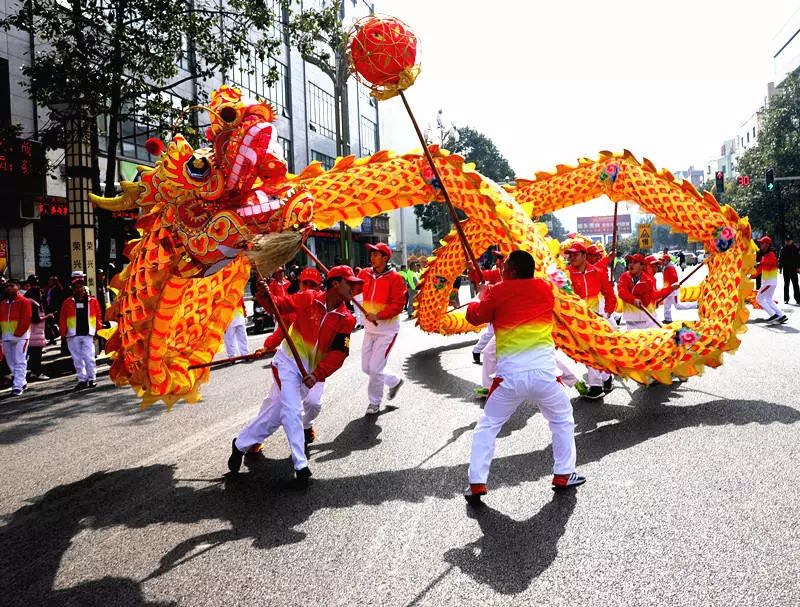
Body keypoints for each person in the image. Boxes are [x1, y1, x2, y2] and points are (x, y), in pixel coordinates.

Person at [463, 250, 586, 505]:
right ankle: (564, 473)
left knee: (487, 426)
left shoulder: (497, 291)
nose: (501, 269)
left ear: (513, 272)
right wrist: (490, 292)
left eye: (504, 266)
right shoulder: (544, 288)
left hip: (509, 378)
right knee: (562, 420)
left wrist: (481, 296)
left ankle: (476, 481)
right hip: (544, 375)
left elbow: (475, 316)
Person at [227, 266, 361, 487]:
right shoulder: (307, 298)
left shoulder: (346, 319)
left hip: (310, 373)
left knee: (276, 414)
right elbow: (278, 307)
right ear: (335, 283)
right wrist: (262, 292)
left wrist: (317, 374)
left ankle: (240, 443)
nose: (354, 288)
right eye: (350, 283)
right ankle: (300, 465)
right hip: (288, 362)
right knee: (292, 409)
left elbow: (339, 353)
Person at [253, 267, 325, 448]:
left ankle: (306, 425)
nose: (308, 287)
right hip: (291, 364)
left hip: (316, 368)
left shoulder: (327, 306)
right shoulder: (296, 302)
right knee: (273, 401)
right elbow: (280, 327)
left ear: (320, 286)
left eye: (313, 285)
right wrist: (267, 346)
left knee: (314, 403)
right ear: (299, 284)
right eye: (305, 283)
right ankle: (255, 439)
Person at [358, 242, 407, 415]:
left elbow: (399, 305)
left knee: (375, 368)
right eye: (371, 254)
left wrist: (378, 316)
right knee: (366, 367)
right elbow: (353, 286)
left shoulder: (395, 278)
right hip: (369, 329)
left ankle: (374, 402)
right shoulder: (364, 274)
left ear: (385, 258)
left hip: (386, 330)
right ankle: (394, 382)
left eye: (376, 254)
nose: (372, 257)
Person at [564, 242, 617, 399]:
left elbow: (609, 295)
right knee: (588, 352)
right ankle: (606, 378)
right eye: (570, 254)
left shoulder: (597, 272)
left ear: (584, 255)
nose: (572, 257)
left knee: (590, 351)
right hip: (575, 320)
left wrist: (606, 314)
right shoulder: (566, 274)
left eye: (575, 254)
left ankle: (596, 386)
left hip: (594, 319)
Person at [59, 276, 102, 390]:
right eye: (76, 287)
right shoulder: (67, 302)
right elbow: (62, 318)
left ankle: (92, 378)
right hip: (73, 334)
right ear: (73, 289)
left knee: (89, 357)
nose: (79, 289)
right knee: (77, 359)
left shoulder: (92, 301)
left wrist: (98, 330)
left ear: (84, 288)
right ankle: (82, 379)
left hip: (88, 333)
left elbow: (98, 316)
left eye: (80, 286)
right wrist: (62, 333)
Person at [617, 254, 675, 330]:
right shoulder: (625, 277)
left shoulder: (650, 279)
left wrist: (655, 302)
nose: (656, 268)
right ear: (645, 266)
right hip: (636, 318)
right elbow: (622, 292)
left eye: (657, 266)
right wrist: (670, 289)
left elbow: (652, 296)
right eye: (653, 266)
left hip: (646, 317)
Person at [0, 279, 32, 396]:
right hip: (6, 336)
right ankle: (21, 381)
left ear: (17, 287)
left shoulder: (24, 302)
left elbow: (26, 319)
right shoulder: (3, 303)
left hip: (21, 337)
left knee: (19, 360)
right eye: (7, 286)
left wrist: (18, 333)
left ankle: (17, 386)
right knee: (10, 362)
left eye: (11, 285)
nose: (9, 288)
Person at [752, 236, 787, 323]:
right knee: (768, 299)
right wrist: (753, 275)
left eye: (762, 243)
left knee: (759, 298)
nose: (760, 244)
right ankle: (781, 315)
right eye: (760, 243)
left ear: (767, 244)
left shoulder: (770, 255)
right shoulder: (766, 255)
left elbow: (763, 266)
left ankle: (773, 315)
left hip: (768, 283)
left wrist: (758, 266)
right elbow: (761, 268)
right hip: (770, 282)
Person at [661, 253, 697, 323]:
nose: (662, 262)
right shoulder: (666, 267)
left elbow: (674, 279)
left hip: (673, 291)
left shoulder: (670, 268)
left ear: (667, 260)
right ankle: (668, 319)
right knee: (666, 305)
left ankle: (696, 304)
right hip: (668, 290)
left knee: (678, 306)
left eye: (663, 260)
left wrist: (670, 288)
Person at [25, 285, 50, 381]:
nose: (41, 294)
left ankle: (33, 372)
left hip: (31, 333)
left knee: (31, 355)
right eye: (39, 292)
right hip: (35, 333)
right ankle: (37, 372)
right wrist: (48, 316)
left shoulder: (27, 302)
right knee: (36, 355)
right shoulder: (33, 304)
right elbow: (36, 319)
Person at [778, 235, 800, 305]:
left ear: (792, 241)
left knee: (795, 285)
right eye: (787, 240)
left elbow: (798, 259)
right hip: (786, 269)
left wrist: (798, 267)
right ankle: (786, 299)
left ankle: (798, 299)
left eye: (789, 240)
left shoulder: (795, 248)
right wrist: (780, 267)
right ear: (785, 241)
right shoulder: (783, 249)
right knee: (786, 285)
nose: (788, 242)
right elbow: (780, 259)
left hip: (793, 269)